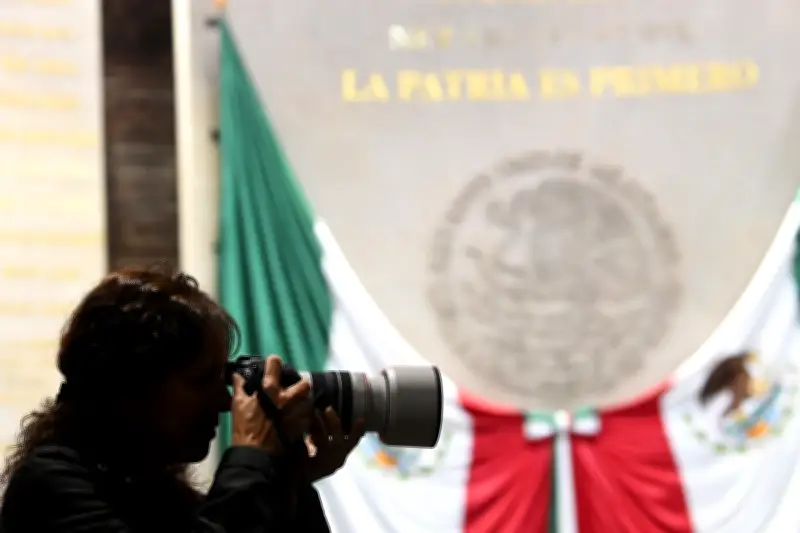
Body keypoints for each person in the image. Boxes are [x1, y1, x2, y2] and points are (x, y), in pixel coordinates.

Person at [0, 266, 364, 532]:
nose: (224, 404)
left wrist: (287, 482)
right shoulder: (51, 487)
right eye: (203, 380)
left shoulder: (155, 494)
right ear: (130, 385)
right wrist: (252, 456)